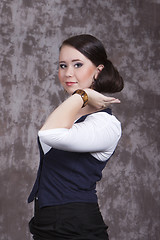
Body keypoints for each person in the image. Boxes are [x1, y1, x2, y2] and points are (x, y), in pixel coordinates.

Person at [28, 34, 124, 240]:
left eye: (78, 64)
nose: (68, 73)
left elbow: (48, 133)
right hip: (46, 224)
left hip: (76, 227)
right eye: (63, 65)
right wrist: (81, 99)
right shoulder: (69, 114)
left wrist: (83, 95)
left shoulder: (105, 124)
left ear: (98, 71)